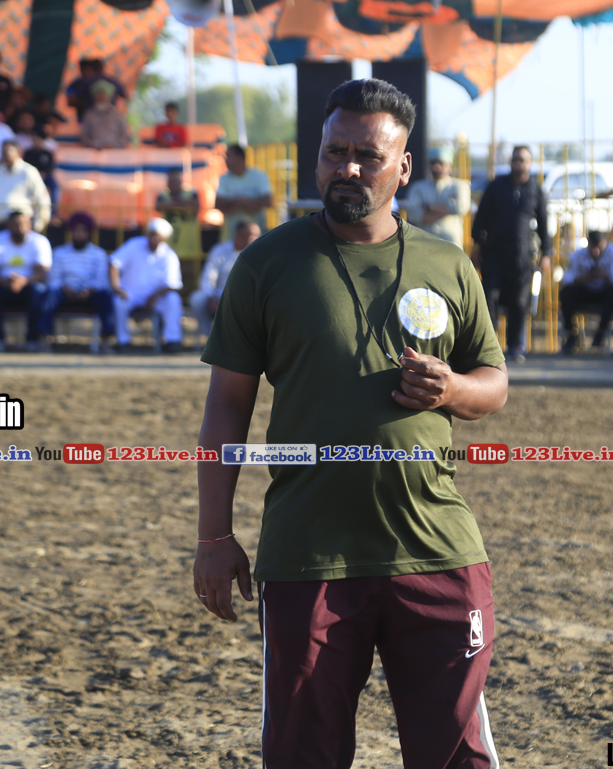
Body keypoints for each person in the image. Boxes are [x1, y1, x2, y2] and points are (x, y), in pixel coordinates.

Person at [194, 77, 507, 769]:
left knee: (456, 757)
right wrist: (214, 535)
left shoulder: (447, 263)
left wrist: (452, 388)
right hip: (310, 555)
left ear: (404, 166)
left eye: (368, 156)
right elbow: (226, 406)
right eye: (335, 152)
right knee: (303, 754)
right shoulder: (267, 264)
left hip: (435, 549)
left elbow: (493, 383)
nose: (349, 169)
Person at [472, 145, 551, 362]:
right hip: (494, 253)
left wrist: (546, 253)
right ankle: (489, 347)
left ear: (530, 163)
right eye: (515, 160)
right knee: (490, 297)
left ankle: (515, 345)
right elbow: (481, 216)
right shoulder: (496, 186)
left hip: (522, 256)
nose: (518, 164)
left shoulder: (536, 189)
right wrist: (476, 243)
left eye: (523, 160)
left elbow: (544, 223)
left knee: (519, 301)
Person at [40, 212, 115, 352]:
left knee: (106, 297)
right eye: (76, 230)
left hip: (90, 293)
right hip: (65, 292)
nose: (79, 234)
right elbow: (54, 279)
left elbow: (102, 281)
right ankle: (46, 339)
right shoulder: (60, 252)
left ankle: (105, 340)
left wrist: (89, 290)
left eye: (83, 230)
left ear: (89, 232)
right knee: (49, 296)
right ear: (71, 231)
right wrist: (65, 288)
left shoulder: (98, 254)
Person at [0, 207, 52, 352]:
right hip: (3, 285)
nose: (20, 228)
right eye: (16, 224)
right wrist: (7, 282)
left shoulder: (40, 241)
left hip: (29, 285)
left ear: (30, 224)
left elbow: (42, 273)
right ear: (8, 225)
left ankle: (32, 339)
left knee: (39, 291)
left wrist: (23, 281)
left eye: (24, 223)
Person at [109, 217, 184, 352]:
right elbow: (114, 263)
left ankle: (172, 340)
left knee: (173, 299)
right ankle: (122, 341)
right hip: (131, 293)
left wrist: (154, 297)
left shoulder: (169, 256)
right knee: (119, 300)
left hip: (156, 297)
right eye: (152, 234)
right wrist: (116, 287)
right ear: (147, 234)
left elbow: (172, 284)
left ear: (165, 239)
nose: (154, 239)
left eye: (158, 236)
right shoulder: (134, 244)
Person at [189, 220, 260, 336]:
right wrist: (212, 298)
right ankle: (209, 336)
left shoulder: (258, 254)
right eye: (253, 235)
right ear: (240, 235)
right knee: (197, 299)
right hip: (218, 296)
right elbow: (207, 278)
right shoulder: (220, 250)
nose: (256, 239)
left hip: (245, 298)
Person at [559, 230, 613, 353]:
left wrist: (604, 276)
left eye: (599, 247)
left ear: (605, 243)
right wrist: (583, 277)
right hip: (585, 291)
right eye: (593, 247)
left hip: (604, 293)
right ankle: (571, 334)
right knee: (566, 293)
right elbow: (567, 279)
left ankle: (601, 332)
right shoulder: (578, 254)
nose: (596, 251)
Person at [403, 145, 471, 247]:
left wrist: (429, 207)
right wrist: (447, 209)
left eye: (441, 163)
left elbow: (461, 207)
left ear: (450, 166)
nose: (437, 167)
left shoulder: (459, 186)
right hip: (425, 246)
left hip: (452, 247)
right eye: (433, 163)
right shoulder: (417, 188)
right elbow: (414, 214)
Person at [0, 141, 51, 233]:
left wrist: (39, 224)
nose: (5, 153)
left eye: (8, 150)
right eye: (2, 151)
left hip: (21, 227)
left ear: (18, 151)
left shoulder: (28, 171)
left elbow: (42, 198)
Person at [214, 143, 272, 239]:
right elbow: (217, 203)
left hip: (256, 237)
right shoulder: (224, 178)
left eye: (228, 156)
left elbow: (268, 201)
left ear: (240, 158)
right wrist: (244, 202)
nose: (225, 160)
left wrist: (235, 204)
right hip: (231, 237)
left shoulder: (259, 176)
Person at [155, 168, 201, 258]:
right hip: (169, 249)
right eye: (171, 181)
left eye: (175, 181)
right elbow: (158, 206)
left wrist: (172, 204)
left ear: (180, 181)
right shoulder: (163, 195)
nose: (173, 184)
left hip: (189, 247)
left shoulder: (191, 193)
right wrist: (183, 204)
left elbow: (196, 206)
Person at [79, 81, 129, 149]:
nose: (101, 97)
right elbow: (84, 137)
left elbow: (124, 137)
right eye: (99, 95)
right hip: (93, 152)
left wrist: (113, 147)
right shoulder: (89, 115)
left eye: (103, 95)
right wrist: (94, 146)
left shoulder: (118, 115)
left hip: (114, 153)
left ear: (109, 97)